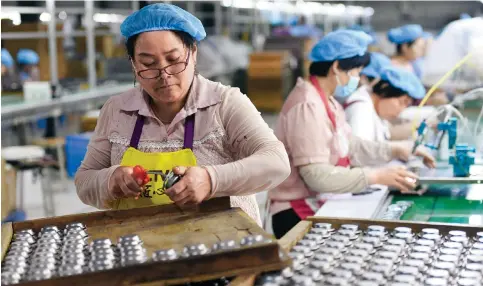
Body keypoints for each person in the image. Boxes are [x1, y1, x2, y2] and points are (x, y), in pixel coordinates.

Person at [75, 3, 290, 226]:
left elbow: (276, 162)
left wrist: (211, 179)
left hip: (223, 244)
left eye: (174, 60)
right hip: (141, 246)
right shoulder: (117, 110)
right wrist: (111, 180)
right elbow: (84, 181)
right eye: (148, 64)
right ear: (133, 64)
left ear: (193, 53)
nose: (164, 75)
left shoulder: (224, 103)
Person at [268, 30, 435, 238]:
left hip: (315, 202)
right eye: (355, 72)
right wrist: (375, 176)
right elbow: (316, 176)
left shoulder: (328, 102)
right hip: (294, 213)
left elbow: (351, 146)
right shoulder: (307, 105)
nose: (358, 79)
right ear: (337, 67)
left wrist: (398, 149)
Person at [345, 66, 427, 143]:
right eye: (401, 102)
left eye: (407, 106)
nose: (401, 110)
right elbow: (360, 151)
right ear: (385, 90)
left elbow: (386, 133)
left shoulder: (375, 110)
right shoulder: (361, 109)